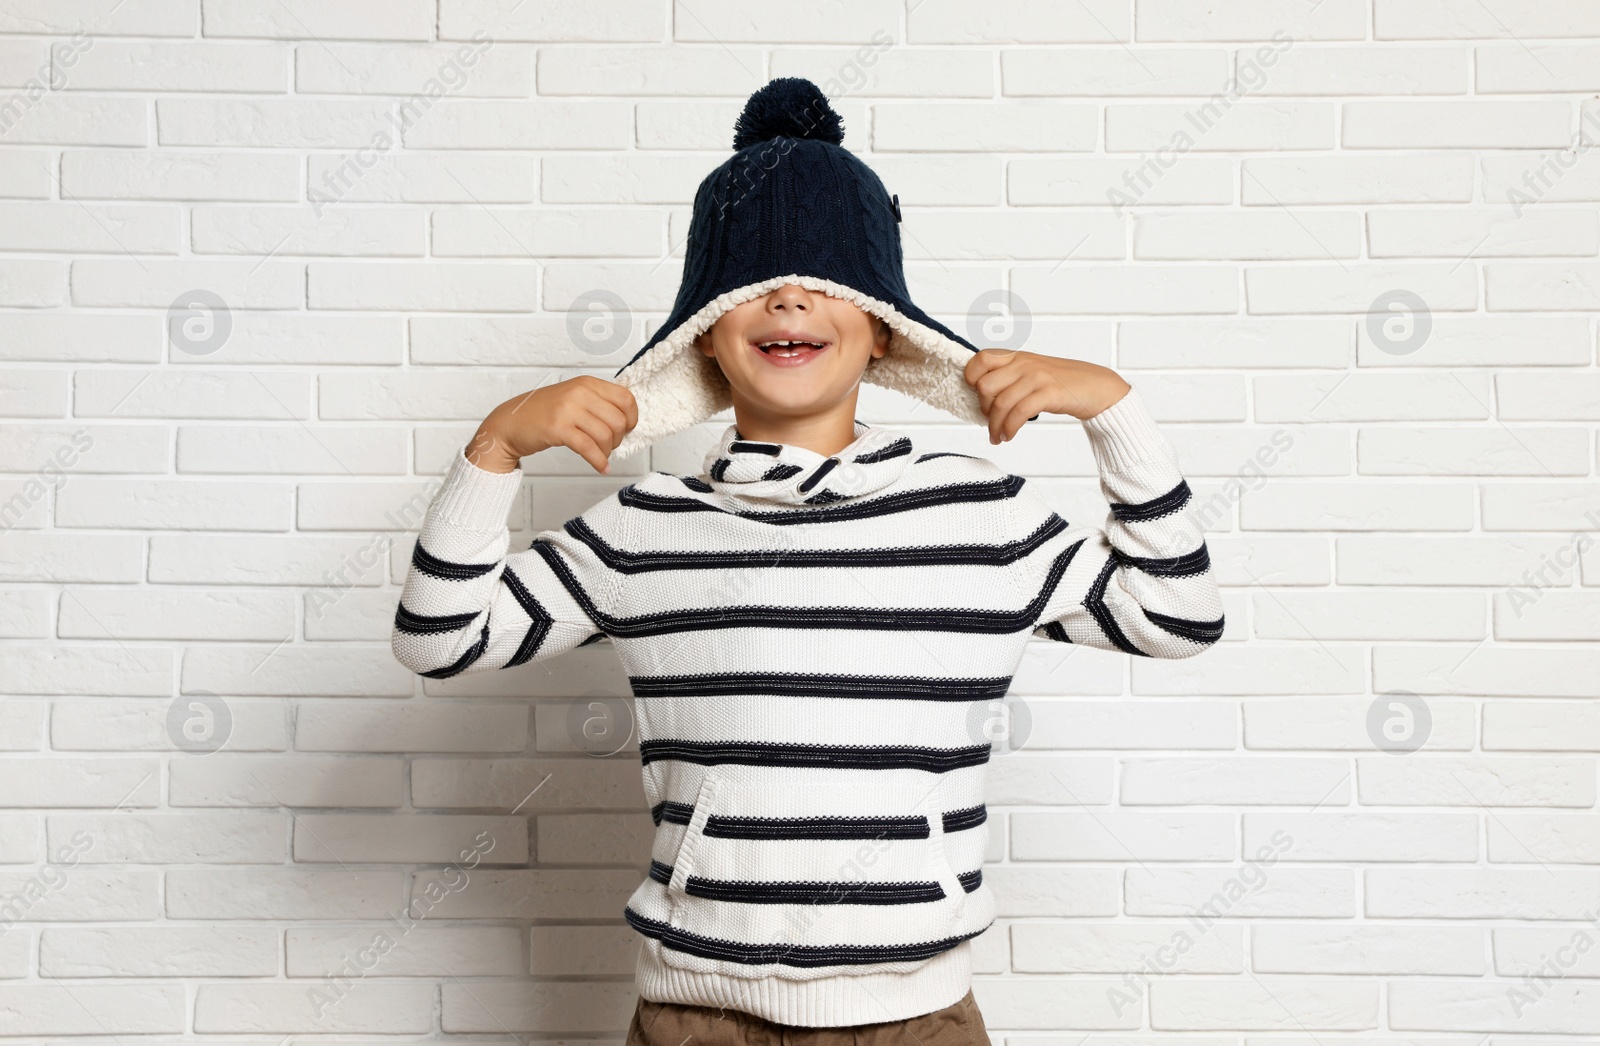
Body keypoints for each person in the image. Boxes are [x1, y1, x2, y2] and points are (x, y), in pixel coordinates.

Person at [391, 78, 1224, 1044]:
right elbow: (438, 640)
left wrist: (1115, 413)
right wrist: (495, 448)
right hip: (694, 1014)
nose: (788, 296)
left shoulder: (978, 514)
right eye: (751, 283)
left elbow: (1176, 617)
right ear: (706, 331)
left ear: (882, 330)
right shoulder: (646, 526)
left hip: (915, 1016)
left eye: (829, 279)